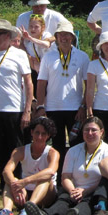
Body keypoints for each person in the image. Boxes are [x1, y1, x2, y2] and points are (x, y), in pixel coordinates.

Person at [25, 117, 108, 215]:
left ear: (101, 132)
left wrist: (85, 191)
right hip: (73, 190)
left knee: (87, 203)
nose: (89, 133)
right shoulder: (73, 150)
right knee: (63, 200)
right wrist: (72, 191)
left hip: (94, 192)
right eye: (86, 130)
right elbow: (66, 177)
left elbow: (106, 180)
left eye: (93, 130)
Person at [0, 19, 33, 203]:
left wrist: (27, 110)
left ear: (8, 36)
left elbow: (28, 83)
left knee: (15, 150)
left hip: (14, 110)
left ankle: (14, 185)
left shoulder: (19, 55)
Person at [36, 21, 89, 184]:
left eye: (67, 35)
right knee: (56, 146)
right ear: (56, 37)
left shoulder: (82, 56)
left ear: (72, 37)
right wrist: (40, 106)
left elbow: (88, 84)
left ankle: (76, 179)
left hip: (75, 109)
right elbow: (41, 83)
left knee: (77, 146)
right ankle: (58, 180)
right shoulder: (48, 56)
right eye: (60, 35)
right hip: (53, 108)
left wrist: (83, 106)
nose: (63, 38)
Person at [0, 117, 59, 215]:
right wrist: (15, 186)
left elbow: (51, 172)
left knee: (45, 179)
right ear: (31, 132)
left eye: (43, 134)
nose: (39, 137)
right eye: (37, 132)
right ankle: (7, 211)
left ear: (48, 136)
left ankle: (28, 210)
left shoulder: (53, 153)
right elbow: (6, 171)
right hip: (24, 193)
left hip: (46, 193)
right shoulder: (20, 151)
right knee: (10, 180)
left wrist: (25, 181)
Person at [20, 13, 53, 94]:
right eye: (31, 26)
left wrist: (30, 38)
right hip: (38, 72)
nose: (33, 29)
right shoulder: (29, 44)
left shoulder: (46, 35)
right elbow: (32, 60)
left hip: (50, 71)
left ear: (43, 27)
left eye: (36, 27)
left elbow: (46, 45)